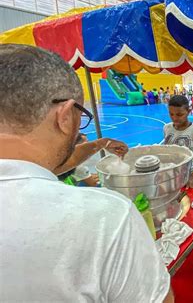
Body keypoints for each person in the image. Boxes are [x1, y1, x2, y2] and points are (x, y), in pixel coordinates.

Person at [0, 44, 172, 302]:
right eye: (82, 115)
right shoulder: (107, 218)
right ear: (66, 115)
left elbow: (51, 163)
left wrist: (100, 144)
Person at [164, 95, 193, 188]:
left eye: (179, 114)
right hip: (170, 177)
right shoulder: (166, 128)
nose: (175, 118)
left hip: (188, 178)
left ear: (188, 112)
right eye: (171, 114)